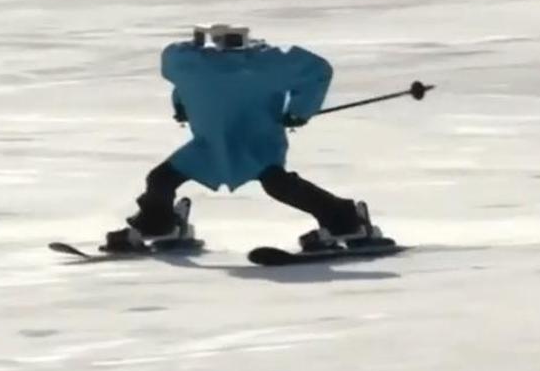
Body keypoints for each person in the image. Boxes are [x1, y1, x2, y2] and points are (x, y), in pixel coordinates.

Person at [104, 23, 382, 252]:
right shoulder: (267, 63)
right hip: (214, 145)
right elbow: (316, 70)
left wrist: (181, 106)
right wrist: (298, 111)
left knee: (273, 184)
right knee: (162, 179)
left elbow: (181, 79)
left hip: (249, 143)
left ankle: (346, 220)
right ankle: (159, 224)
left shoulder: (192, 62)